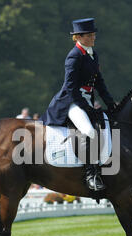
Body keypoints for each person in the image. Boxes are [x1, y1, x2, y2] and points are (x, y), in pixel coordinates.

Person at [40, 18, 116, 191]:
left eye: (94, 34)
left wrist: (111, 103)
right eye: (90, 35)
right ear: (79, 37)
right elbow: (70, 87)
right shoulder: (74, 56)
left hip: (86, 99)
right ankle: (91, 173)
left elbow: (99, 82)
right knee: (88, 130)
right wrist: (86, 106)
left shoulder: (92, 54)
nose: (93, 37)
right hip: (71, 102)